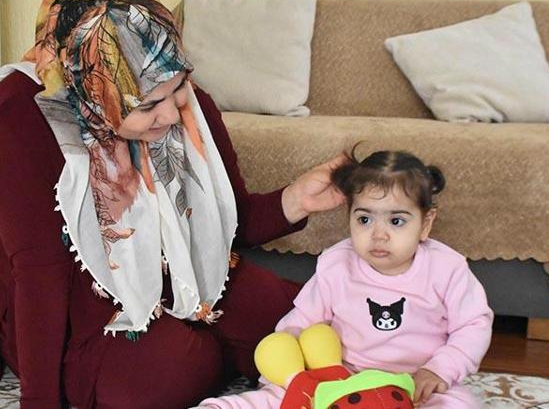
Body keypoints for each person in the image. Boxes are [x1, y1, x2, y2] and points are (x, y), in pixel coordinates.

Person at [0, 0, 345, 408]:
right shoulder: (15, 122)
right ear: (94, 93)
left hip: (183, 275)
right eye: (147, 105)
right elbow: (40, 274)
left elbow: (229, 223)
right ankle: (218, 351)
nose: (172, 114)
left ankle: (214, 344)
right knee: (166, 375)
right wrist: (39, 400)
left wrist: (296, 200)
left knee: (296, 315)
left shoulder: (183, 97)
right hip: (85, 302)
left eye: (179, 87)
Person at [197, 149, 494, 408]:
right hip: (343, 377)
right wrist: (284, 370)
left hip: (415, 382)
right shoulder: (337, 263)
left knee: (458, 402)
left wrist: (440, 369)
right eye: (365, 219)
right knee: (280, 397)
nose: (378, 234)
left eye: (396, 221)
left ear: (426, 223)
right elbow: (304, 318)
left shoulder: (447, 268)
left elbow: (473, 325)